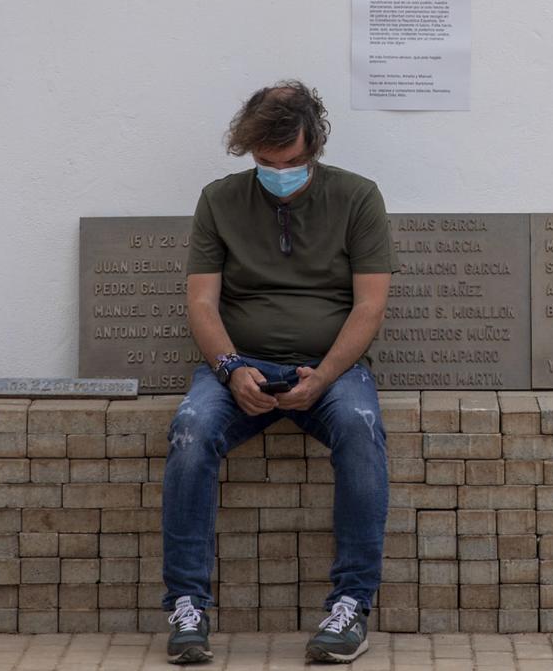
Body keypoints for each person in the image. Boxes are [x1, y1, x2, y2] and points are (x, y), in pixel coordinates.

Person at [160, 81, 392, 666]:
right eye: (265, 163)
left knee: (362, 430)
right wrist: (232, 368)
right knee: (190, 430)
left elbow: (369, 306)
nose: (278, 172)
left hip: (332, 368)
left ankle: (350, 607)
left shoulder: (359, 197)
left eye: (291, 162)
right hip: (238, 367)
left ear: (314, 144)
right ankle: (187, 606)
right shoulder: (218, 200)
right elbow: (202, 304)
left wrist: (326, 374)